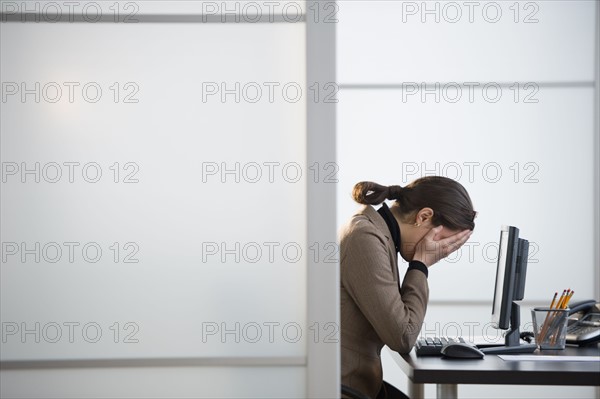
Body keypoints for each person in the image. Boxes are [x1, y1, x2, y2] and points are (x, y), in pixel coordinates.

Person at [340, 177, 476, 399]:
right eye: (442, 242)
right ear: (424, 217)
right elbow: (403, 336)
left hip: (360, 385)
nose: (441, 250)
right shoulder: (366, 236)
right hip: (349, 390)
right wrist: (421, 264)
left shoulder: (376, 231)